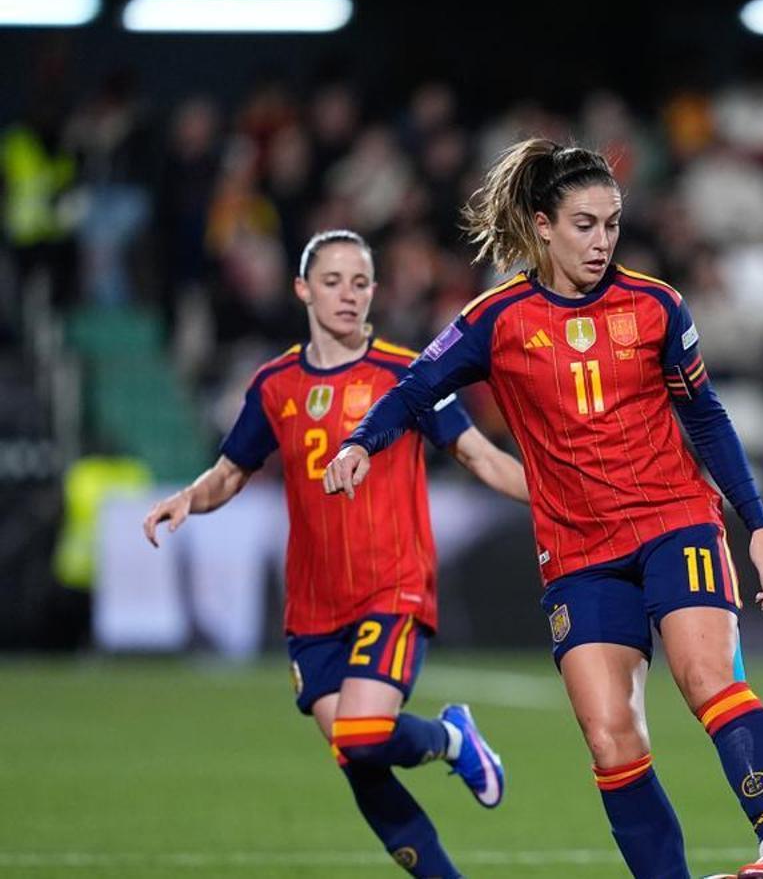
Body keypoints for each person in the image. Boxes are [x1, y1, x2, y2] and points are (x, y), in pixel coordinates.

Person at [325, 139, 763, 879]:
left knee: (707, 677)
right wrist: (365, 440)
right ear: (542, 224)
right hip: (578, 551)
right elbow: (416, 386)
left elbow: (707, 417)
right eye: (585, 225)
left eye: (612, 224)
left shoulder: (655, 306)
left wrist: (759, 526)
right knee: (611, 736)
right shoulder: (497, 319)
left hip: (673, 517)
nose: (602, 241)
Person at [143, 229, 529, 879]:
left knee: (363, 733)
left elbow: (480, 455)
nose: (347, 295)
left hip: (393, 587)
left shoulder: (408, 373)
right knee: (359, 758)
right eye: (332, 281)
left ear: (374, 292)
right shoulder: (275, 385)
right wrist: (189, 497)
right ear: (302, 290)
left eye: (359, 282)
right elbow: (232, 471)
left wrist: (557, 499)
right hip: (313, 610)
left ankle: (453, 739)